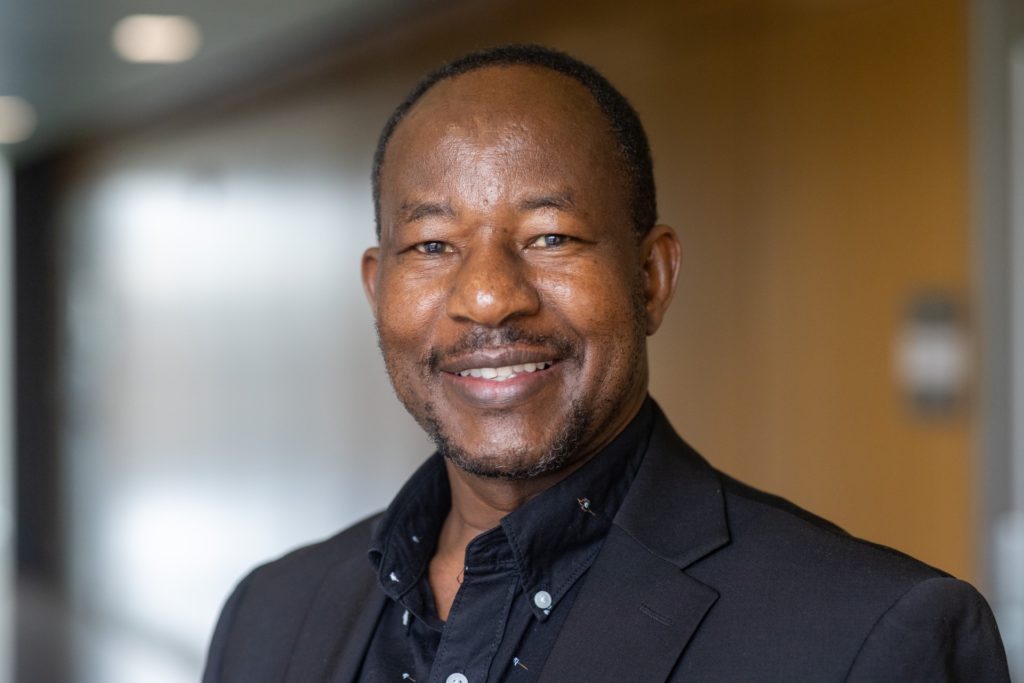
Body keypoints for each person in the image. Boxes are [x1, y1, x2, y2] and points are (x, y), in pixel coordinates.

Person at [202, 44, 1009, 682]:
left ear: (651, 278)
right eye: (433, 245)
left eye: (551, 236)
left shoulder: (870, 637)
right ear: (378, 290)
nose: (487, 297)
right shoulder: (270, 615)